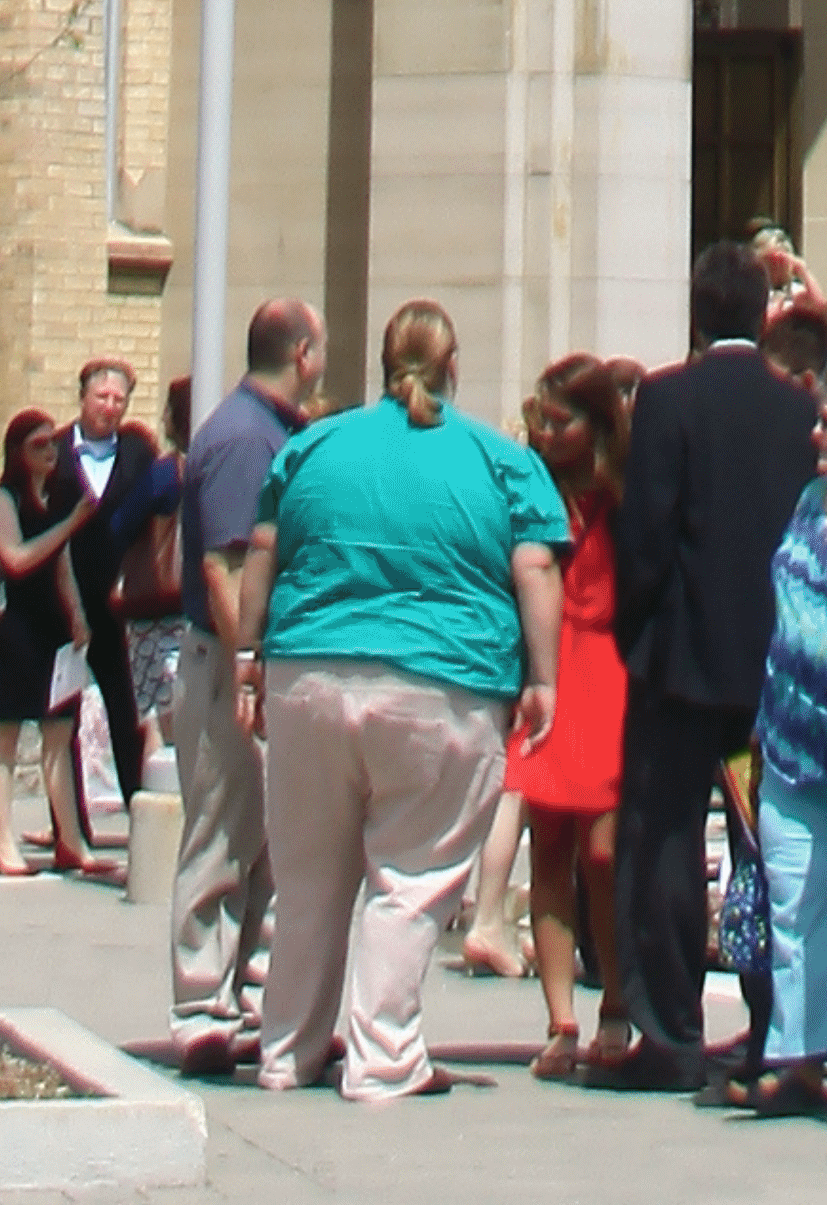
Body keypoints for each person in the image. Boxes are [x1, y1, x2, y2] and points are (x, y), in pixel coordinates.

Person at [243, 299, 568, 1099]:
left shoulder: (313, 444)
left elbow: (261, 549)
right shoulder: (501, 461)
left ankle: (287, 1050)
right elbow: (535, 568)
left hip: (309, 675)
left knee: (309, 876)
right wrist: (544, 676)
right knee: (413, 879)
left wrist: (249, 658)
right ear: (452, 366)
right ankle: (384, 1055)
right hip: (443, 681)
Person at [607, 242, 814, 1089]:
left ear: (696, 314)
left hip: (682, 659)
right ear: (765, 315)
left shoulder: (666, 398)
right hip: (771, 660)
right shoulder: (797, 410)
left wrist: (632, 633)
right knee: (767, 844)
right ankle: (775, 1021)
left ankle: (669, 1031)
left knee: (662, 841)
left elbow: (647, 531)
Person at [170, 297, 322, 1075]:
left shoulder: (279, 433)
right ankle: (201, 1007)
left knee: (268, 844)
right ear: (301, 353)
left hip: (259, 667)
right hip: (229, 662)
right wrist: (249, 668)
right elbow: (223, 569)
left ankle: (253, 999)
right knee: (222, 836)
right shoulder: (239, 441)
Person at [734, 350, 827, 1114]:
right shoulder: (805, 501)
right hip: (793, 737)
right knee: (797, 899)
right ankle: (801, 1051)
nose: (816, 434)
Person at [507, 355, 634, 1068]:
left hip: (610, 669)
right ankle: (560, 1022)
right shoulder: (532, 486)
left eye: (564, 422)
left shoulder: (623, 487)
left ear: (596, 423)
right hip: (552, 666)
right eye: (543, 421)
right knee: (547, 845)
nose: (549, 434)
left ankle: (615, 1002)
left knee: (604, 852)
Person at [0, 408, 110, 877]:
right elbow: (16, 558)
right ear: (17, 452)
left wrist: (77, 615)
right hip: (11, 627)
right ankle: (3, 838)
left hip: (51, 626)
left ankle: (70, 839)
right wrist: (69, 524)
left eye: (53, 443)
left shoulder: (59, 496)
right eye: (38, 444)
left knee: (58, 731)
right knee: (7, 730)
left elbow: (62, 563)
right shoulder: (3, 499)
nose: (49, 452)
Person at [51, 357, 178, 830]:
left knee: (128, 712)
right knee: (62, 717)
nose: (109, 406)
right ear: (82, 397)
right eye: (101, 396)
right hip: (64, 604)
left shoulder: (139, 451)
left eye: (118, 399)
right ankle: (69, 826)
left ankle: (136, 813)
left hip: (119, 604)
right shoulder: (56, 451)